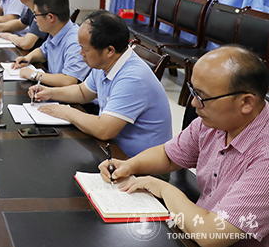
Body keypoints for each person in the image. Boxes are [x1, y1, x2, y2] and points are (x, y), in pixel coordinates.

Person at [99, 45, 269, 247]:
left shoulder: (267, 158)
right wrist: (129, 166)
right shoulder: (215, 122)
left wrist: (163, 189)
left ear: (246, 103)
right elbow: (169, 155)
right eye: (193, 91)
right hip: (194, 228)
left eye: (202, 97)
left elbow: (212, 235)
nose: (193, 103)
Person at [29, 10, 172, 157]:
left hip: (138, 162)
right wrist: (49, 92)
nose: (81, 53)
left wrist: (66, 112)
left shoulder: (133, 78)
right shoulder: (106, 63)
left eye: (85, 49)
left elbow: (104, 130)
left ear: (109, 50)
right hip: (113, 150)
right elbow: (83, 92)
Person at [13, 0, 89, 86]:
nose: (35, 20)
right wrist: (27, 58)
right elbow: (42, 51)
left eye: (36, 15)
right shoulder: (56, 31)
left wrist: (33, 74)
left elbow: (69, 80)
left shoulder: (75, 42)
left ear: (50, 17)